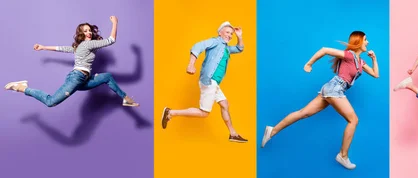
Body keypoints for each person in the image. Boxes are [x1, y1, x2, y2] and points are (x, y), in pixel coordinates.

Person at [260, 31, 380, 170]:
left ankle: (272, 131)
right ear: (358, 41)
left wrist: (374, 59)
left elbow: (375, 74)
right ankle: (343, 155)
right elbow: (324, 50)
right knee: (353, 120)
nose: (367, 42)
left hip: (331, 89)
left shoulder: (360, 62)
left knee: (303, 113)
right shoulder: (348, 55)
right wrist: (309, 64)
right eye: (365, 39)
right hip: (335, 88)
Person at [5, 16, 139, 108]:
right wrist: (115, 22)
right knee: (50, 102)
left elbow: (62, 48)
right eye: (85, 31)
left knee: (107, 76)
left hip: (84, 80)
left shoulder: (81, 46)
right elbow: (111, 40)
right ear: (81, 33)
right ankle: (23, 87)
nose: (89, 33)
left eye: (89, 30)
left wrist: (43, 47)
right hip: (76, 78)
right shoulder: (87, 45)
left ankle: (125, 99)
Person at [160, 21, 247, 143]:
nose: (230, 35)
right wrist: (191, 64)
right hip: (209, 80)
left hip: (214, 83)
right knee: (204, 113)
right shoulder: (215, 41)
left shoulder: (226, 48)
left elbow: (239, 48)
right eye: (227, 32)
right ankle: (171, 112)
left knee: (225, 104)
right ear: (220, 33)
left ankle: (233, 134)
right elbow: (197, 46)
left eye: (231, 34)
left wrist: (239, 36)